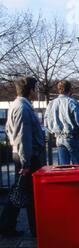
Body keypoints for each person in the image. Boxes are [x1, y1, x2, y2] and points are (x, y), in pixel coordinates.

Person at [0, 77, 45, 237]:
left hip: (23, 155)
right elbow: (22, 136)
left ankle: (10, 225)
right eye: (35, 88)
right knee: (25, 192)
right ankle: (12, 226)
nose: (36, 91)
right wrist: (26, 162)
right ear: (30, 90)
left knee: (21, 191)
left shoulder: (17, 105)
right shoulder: (22, 108)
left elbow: (10, 131)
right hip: (27, 156)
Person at [44, 80, 79, 165]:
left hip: (59, 138)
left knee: (63, 168)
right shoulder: (72, 102)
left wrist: (54, 132)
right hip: (72, 137)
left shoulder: (51, 104)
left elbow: (46, 122)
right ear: (70, 89)